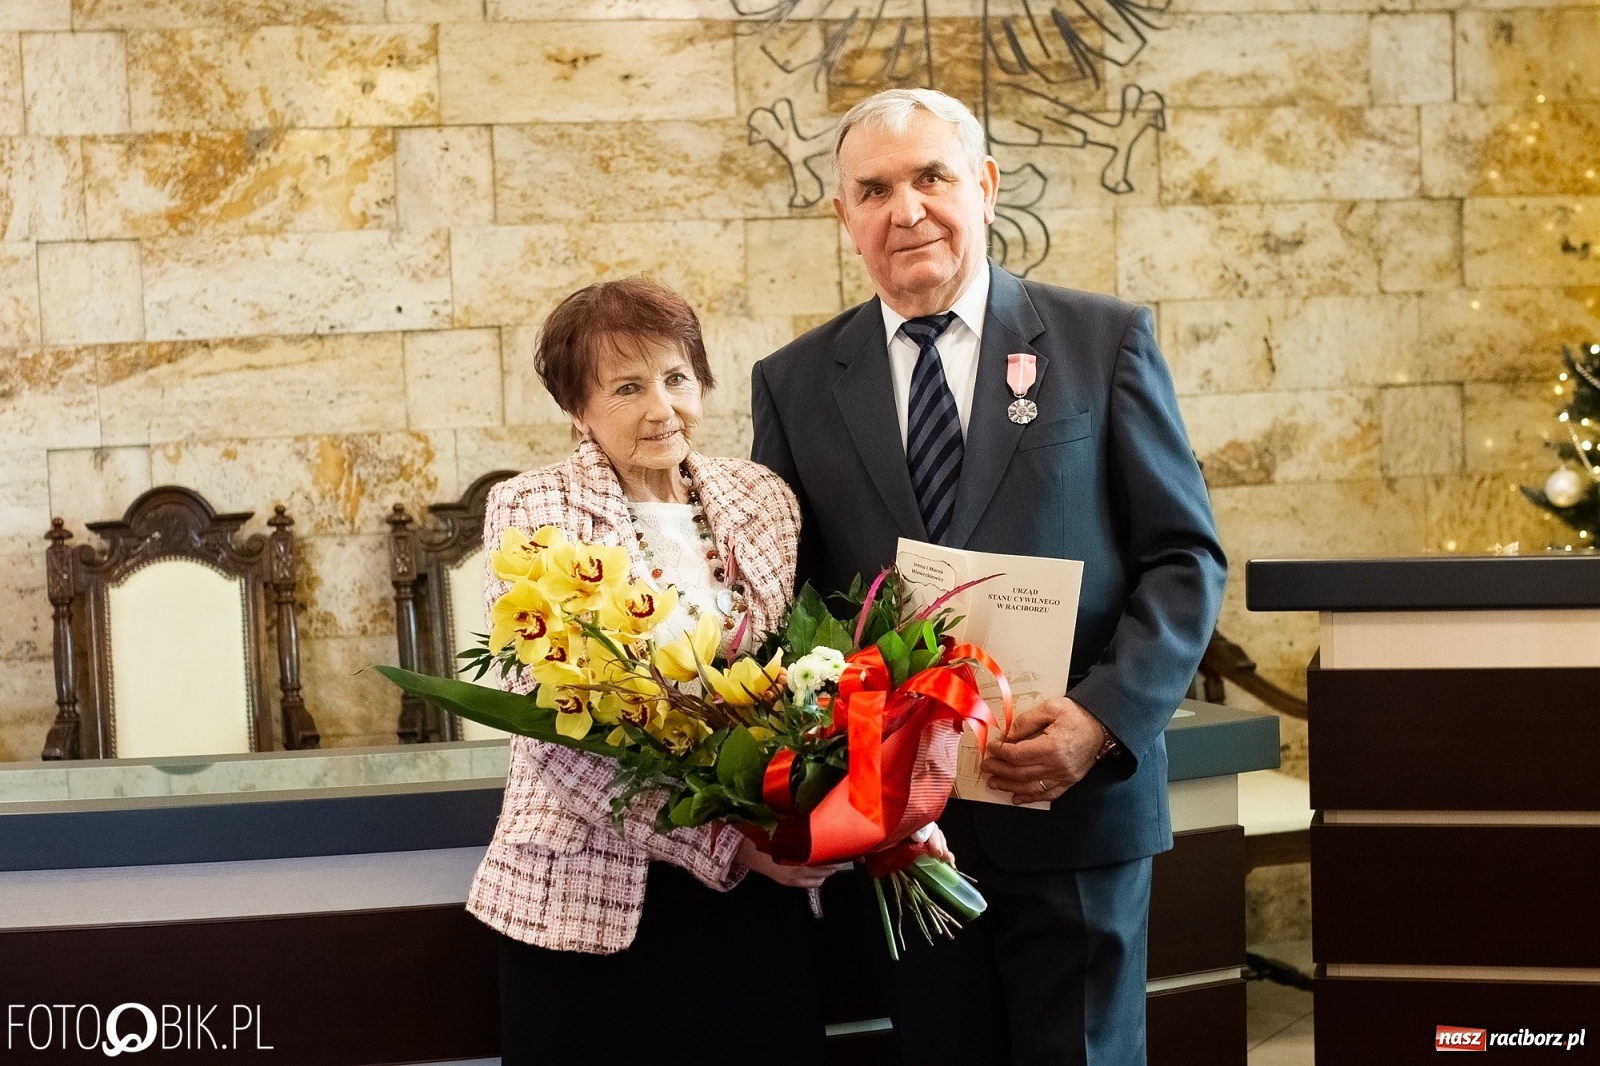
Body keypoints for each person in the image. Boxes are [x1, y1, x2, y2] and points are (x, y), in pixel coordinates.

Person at [750, 89, 1227, 1065]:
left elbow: (1184, 561)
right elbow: (787, 605)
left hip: (1077, 809)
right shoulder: (793, 385)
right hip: (904, 839)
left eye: (931, 176)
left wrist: (1098, 723)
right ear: (843, 217)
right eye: (874, 189)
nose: (906, 209)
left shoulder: (1103, 342)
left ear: (986, 187)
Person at [467, 278, 855, 1064]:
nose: (661, 407)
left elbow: (795, 674)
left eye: (677, 378)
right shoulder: (533, 508)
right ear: (577, 408)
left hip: (759, 897)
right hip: (592, 893)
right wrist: (727, 843)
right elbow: (552, 731)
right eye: (627, 387)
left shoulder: (763, 497)